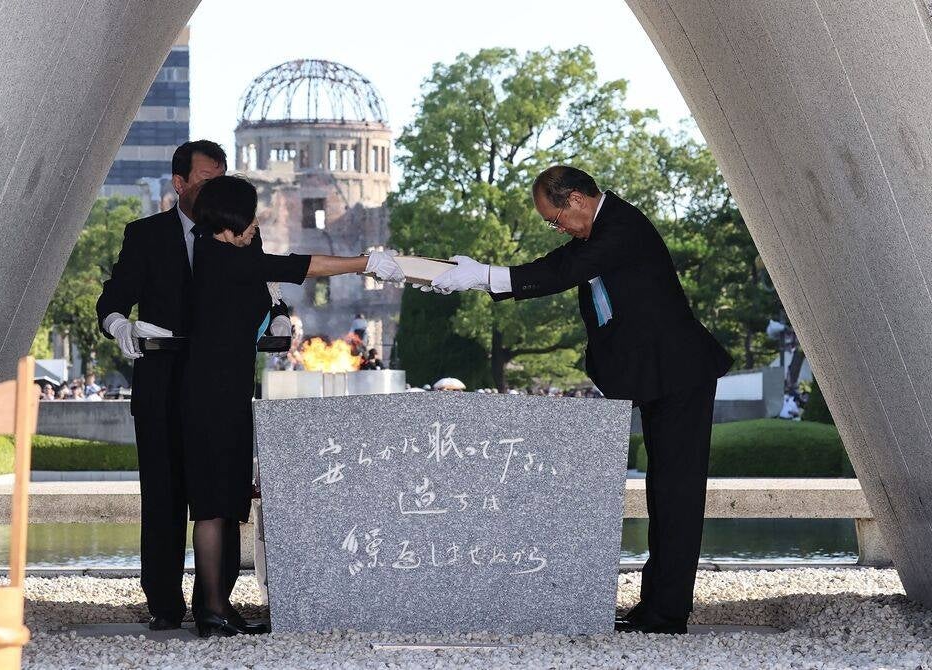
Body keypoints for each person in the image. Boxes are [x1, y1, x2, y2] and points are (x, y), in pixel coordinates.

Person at [429, 165, 733, 634]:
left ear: (575, 199)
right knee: (663, 493)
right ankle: (657, 606)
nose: (558, 228)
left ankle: (667, 613)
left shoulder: (622, 227)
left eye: (555, 219)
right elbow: (556, 267)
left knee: (676, 495)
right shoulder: (599, 232)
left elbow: (564, 272)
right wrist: (482, 278)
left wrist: (485, 276)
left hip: (679, 375)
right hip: (655, 377)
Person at [182, 175, 403, 637]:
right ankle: (211, 611)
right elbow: (304, 264)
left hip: (223, 389)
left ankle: (218, 604)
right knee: (212, 503)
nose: (254, 226)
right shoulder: (224, 258)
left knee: (224, 500)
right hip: (212, 394)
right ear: (230, 219)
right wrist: (365, 262)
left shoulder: (218, 253)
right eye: (249, 218)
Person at [95, 140, 231, 631]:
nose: (218, 190)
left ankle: (216, 603)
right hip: (161, 383)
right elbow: (111, 300)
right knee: (164, 496)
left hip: (217, 383)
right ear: (180, 184)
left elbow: (262, 294)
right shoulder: (144, 235)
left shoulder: (238, 233)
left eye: (222, 179)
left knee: (217, 493)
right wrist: (120, 327)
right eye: (207, 181)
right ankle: (165, 606)